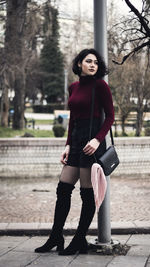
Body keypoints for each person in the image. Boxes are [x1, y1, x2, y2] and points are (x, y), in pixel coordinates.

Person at [35, 48, 114, 255]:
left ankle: (79, 239)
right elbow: (73, 119)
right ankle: (55, 236)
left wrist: (97, 140)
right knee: (63, 189)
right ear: (79, 64)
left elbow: (110, 117)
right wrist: (68, 145)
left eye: (96, 63)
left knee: (87, 195)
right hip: (77, 141)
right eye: (88, 61)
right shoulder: (73, 87)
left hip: (92, 145)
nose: (93, 65)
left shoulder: (101, 86)